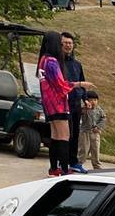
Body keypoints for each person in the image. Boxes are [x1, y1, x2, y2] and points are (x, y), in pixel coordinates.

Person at [37, 31, 87, 176]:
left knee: (55, 135)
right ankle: (65, 169)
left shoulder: (43, 60)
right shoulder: (51, 61)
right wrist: (80, 84)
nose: (62, 45)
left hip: (48, 104)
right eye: (60, 43)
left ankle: (54, 168)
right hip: (58, 104)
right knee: (64, 136)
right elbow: (61, 85)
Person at [60, 32, 89, 173]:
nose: (68, 45)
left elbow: (82, 82)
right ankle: (62, 162)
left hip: (76, 103)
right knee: (66, 134)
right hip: (63, 103)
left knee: (76, 133)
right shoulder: (57, 63)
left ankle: (73, 162)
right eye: (65, 43)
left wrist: (85, 99)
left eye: (70, 43)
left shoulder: (77, 64)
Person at [78, 90, 106, 169]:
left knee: (95, 149)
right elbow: (80, 113)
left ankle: (96, 165)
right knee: (83, 149)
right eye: (91, 100)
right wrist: (84, 109)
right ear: (87, 101)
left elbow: (103, 119)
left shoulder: (99, 110)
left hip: (95, 132)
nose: (93, 102)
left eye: (95, 100)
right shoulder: (84, 109)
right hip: (85, 132)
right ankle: (79, 163)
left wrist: (98, 127)